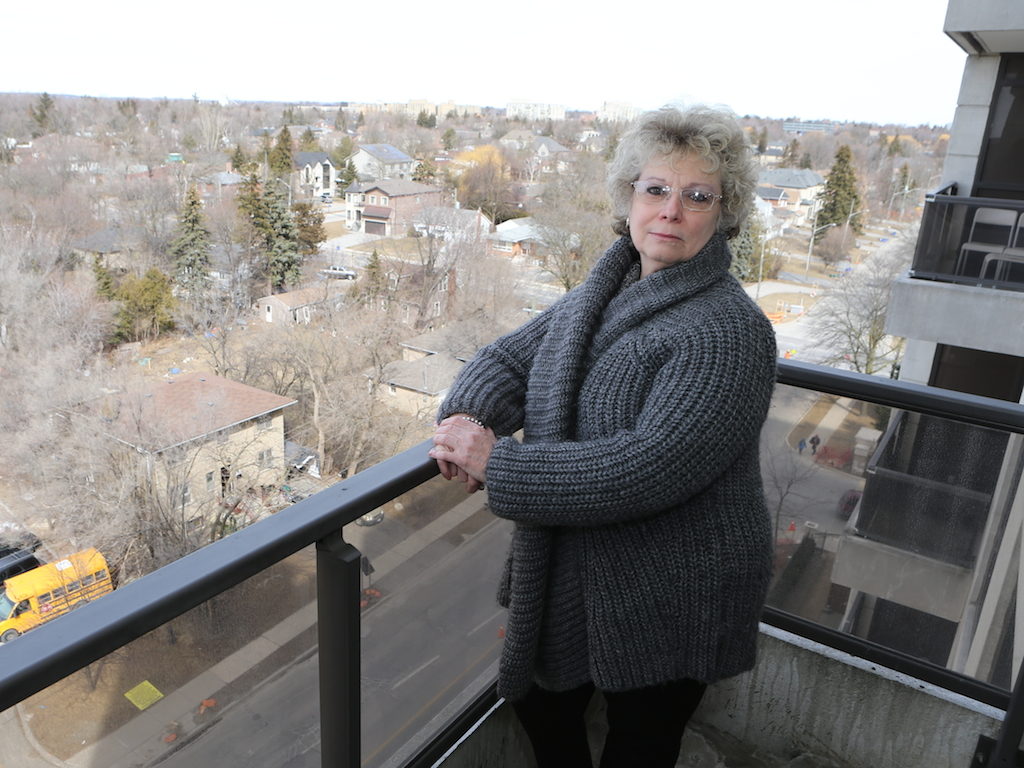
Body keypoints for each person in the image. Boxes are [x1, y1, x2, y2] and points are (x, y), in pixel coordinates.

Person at [429, 104, 777, 768]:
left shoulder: (728, 330)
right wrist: (470, 418)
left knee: (640, 745)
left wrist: (498, 465)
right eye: (656, 189)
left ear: (724, 212)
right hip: (586, 567)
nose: (671, 210)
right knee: (542, 705)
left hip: (678, 586)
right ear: (629, 197)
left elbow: (648, 466)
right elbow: (509, 358)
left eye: (697, 196)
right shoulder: (607, 288)